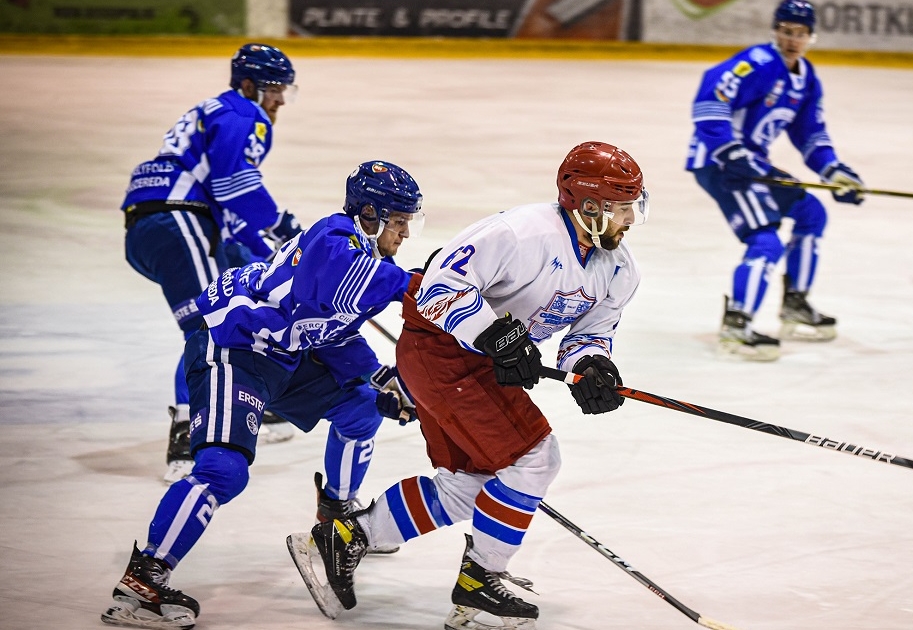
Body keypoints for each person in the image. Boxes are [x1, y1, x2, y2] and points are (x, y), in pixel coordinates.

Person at [288, 141, 647, 630]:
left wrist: (593, 367)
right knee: (536, 458)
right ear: (586, 206)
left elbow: (589, 333)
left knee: (473, 483)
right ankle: (480, 581)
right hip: (441, 353)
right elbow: (439, 284)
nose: (629, 220)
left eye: (633, 207)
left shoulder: (620, 269)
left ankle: (348, 537)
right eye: (621, 208)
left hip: (473, 364)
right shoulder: (519, 234)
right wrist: (495, 336)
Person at [101, 161, 425, 630]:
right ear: (370, 214)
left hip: (283, 358)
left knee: (362, 409)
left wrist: (378, 377)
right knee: (223, 470)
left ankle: (337, 521)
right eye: (399, 221)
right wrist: (414, 285)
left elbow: (328, 329)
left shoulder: (366, 261)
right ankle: (144, 580)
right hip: (234, 349)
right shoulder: (333, 240)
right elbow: (333, 283)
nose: (406, 234)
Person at [121, 43, 304, 485]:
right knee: (208, 324)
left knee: (233, 296)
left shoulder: (221, 111)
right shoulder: (244, 114)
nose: (280, 99)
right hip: (176, 215)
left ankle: (251, 404)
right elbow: (234, 185)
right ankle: (189, 426)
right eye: (273, 88)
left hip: (161, 222)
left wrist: (273, 258)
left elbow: (228, 209)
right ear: (248, 85)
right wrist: (282, 225)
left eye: (285, 89)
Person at [686, 0, 864, 361]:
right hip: (721, 164)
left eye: (800, 33)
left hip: (753, 165)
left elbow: (811, 133)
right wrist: (729, 151)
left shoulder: (806, 78)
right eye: (786, 31)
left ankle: (795, 303)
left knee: (812, 213)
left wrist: (834, 171)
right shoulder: (759, 63)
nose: (792, 39)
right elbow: (710, 97)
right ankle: (737, 324)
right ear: (775, 31)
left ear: (811, 36)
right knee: (765, 241)